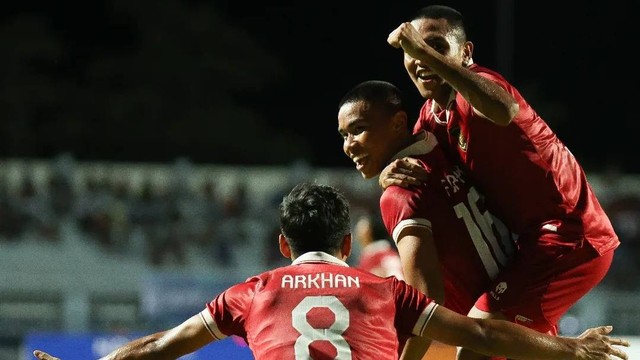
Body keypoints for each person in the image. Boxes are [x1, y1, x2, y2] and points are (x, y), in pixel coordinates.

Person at [33, 182, 628, 360]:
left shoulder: (252, 291)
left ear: (284, 244)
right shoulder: (383, 288)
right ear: (349, 241)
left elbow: (162, 345)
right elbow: (480, 333)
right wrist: (569, 349)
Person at [383, 5, 620, 360]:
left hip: (572, 238)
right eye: (412, 50)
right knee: (507, 350)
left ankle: (578, 351)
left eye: (435, 45)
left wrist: (423, 52)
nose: (419, 57)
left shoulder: (482, 86)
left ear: (466, 53)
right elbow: (412, 158)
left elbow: (503, 110)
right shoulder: (430, 117)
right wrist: (388, 173)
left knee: (478, 344)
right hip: (530, 247)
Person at [338, 79, 518, 358]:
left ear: (398, 122)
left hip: (495, 324)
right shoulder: (436, 144)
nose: (348, 146)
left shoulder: (399, 193)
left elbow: (425, 299)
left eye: (358, 130)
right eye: (343, 136)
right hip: (516, 300)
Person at [354, 211, 404, 280]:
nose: (357, 230)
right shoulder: (369, 254)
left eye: (362, 226)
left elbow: (398, 279)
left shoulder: (382, 254)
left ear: (369, 231)